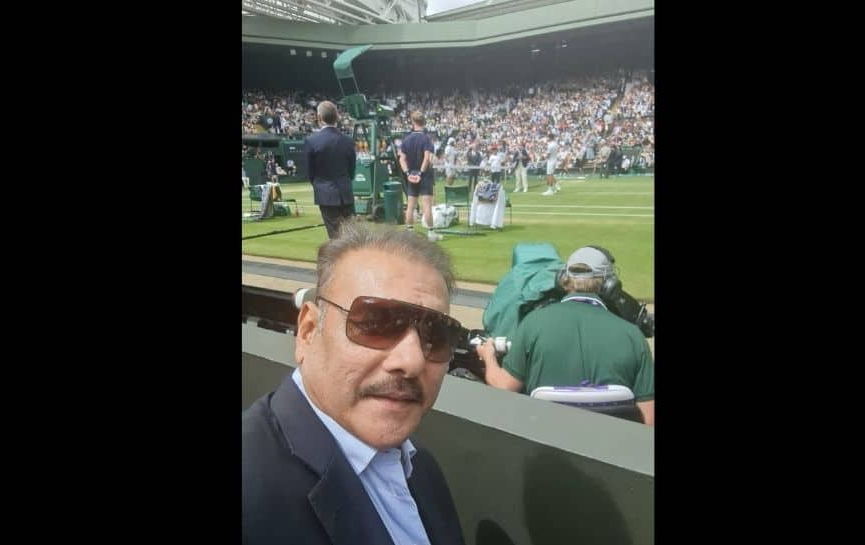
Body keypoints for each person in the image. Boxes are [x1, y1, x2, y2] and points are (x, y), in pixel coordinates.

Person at [243, 221, 467, 545]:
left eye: (437, 334)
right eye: (377, 322)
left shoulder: (422, 470)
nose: (412, 360)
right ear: (307, 332)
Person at [475, 246, 655, 425]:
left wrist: (488, 356)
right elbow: (648, 420)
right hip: (611, 449)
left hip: (541, 446)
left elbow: (504, 386)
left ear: (563, 279)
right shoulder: (634, 337)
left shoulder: (532, 323)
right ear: (610, 286)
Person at [305, 100, 356, 239]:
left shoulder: (312, 141)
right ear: (337, 117)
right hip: (345, 193)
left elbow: (310, 173)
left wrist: (320, 187)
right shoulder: (348, 140)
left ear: (319, 118)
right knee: (351, 237)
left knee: (335, 237)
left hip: (326, 194)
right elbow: (352, 170)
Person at [398, 112, 442, 241]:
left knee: (410, 205)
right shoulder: (426, 139)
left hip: (411, 175)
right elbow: (427, 158)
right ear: (424, 122)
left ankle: (410, 232)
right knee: (427, 206)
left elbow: (402, 159)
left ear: (413, 122)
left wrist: (407, 174)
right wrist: (421, 174)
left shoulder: (406, 139)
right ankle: (431, 233)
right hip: (424, 176)